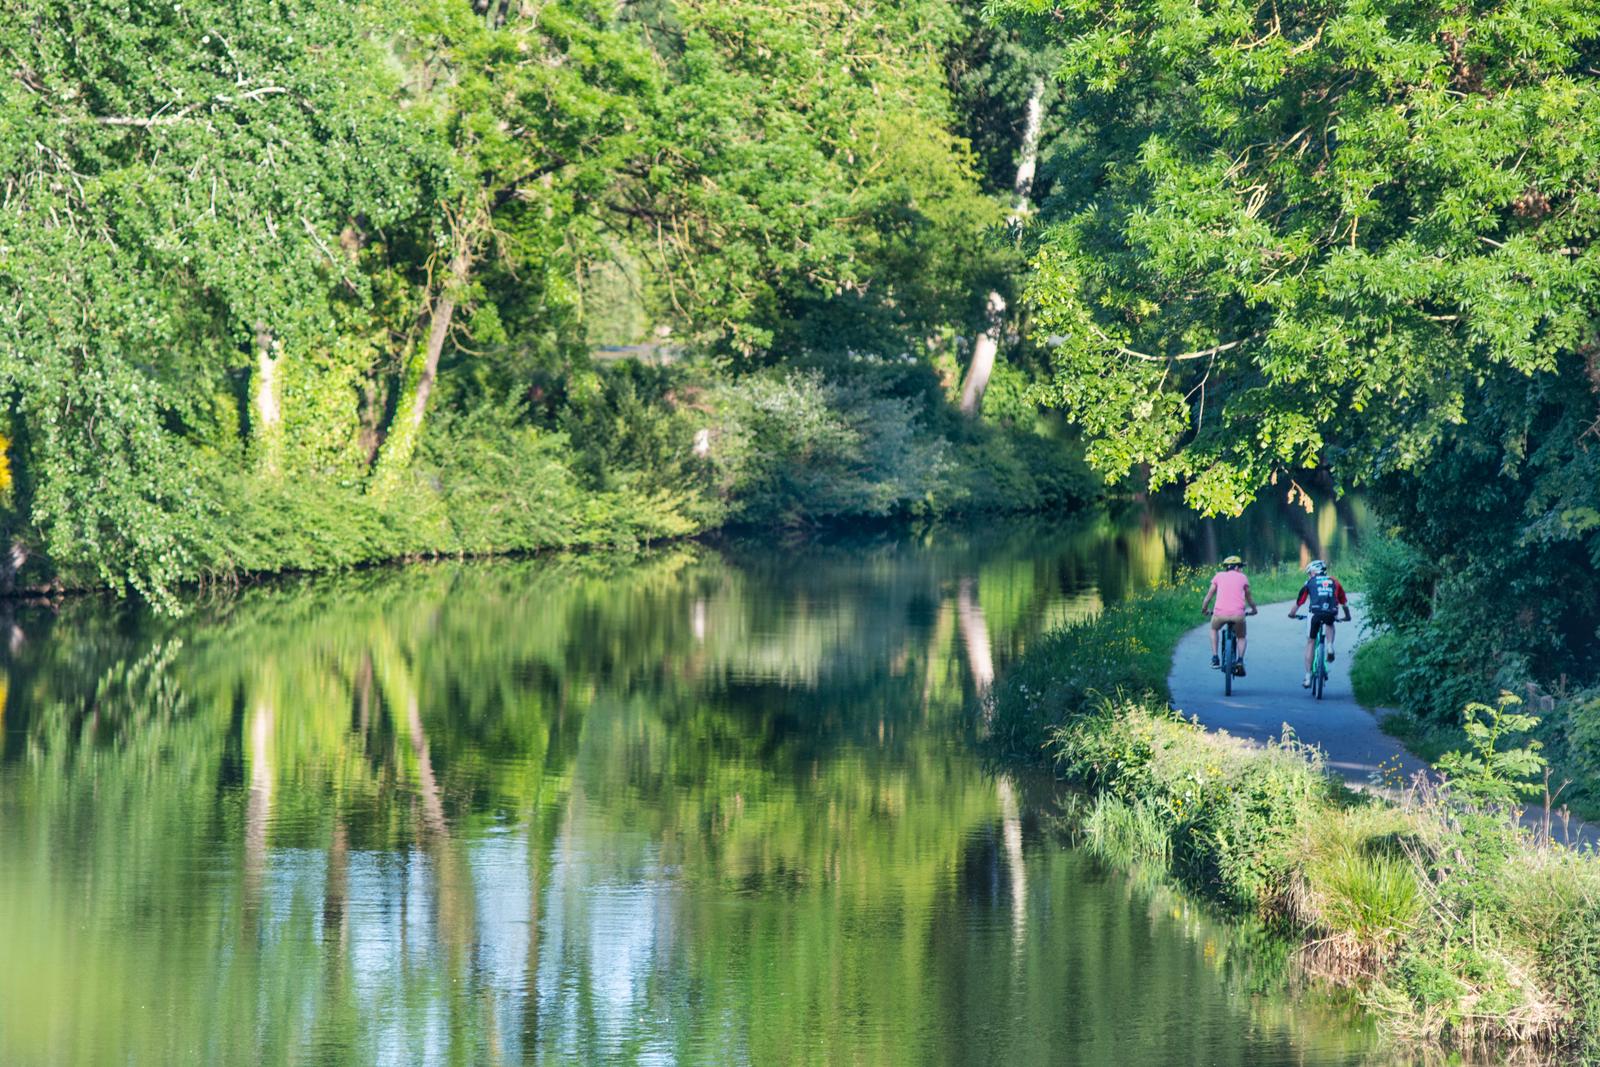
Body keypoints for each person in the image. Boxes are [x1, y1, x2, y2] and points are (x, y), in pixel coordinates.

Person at [1290, 559, 1351, 687]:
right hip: (1331, 612)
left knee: (1311, 642)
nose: (1309, 575)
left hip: (1315, 614)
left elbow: (1299, 602)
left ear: (1314, 572)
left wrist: (1292, 614)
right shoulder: (1334, 582)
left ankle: (1307, 677)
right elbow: (1344, 603)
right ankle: (1329, 646)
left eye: (1309, 573)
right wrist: (1347, 617)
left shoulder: (1310, 583)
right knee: (1330, 622)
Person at [1200, 555, 1257, 675]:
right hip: (1238, 615)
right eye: (1240, 567)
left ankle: (1215, 658)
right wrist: (1254, 610)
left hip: (1219, 614)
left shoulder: (1218, 576)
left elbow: (1208, 596)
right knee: (1241, 637)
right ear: (1236, 567)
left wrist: (1204, 609)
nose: (1241, 569)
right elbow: (1249, 598)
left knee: (1214, 629)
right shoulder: (1243, 578)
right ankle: (1240, 661)